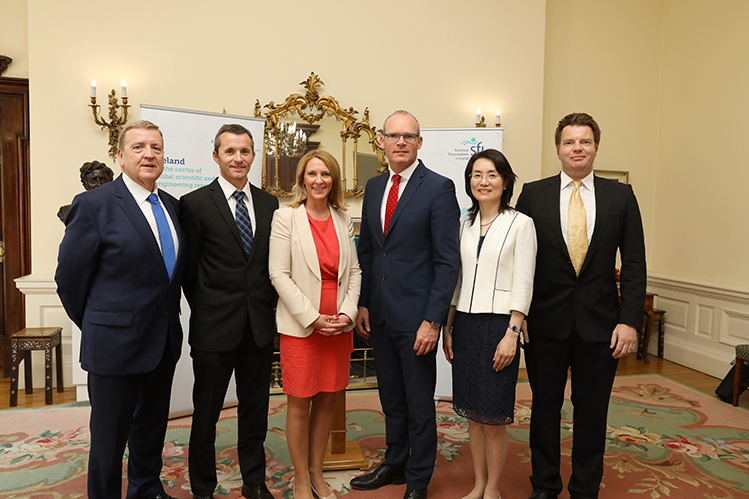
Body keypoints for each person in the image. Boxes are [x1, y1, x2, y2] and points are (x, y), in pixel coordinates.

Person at [515, 113, 646, 499]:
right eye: (569, 142)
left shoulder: (620, 196)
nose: (577, 148)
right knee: (544, 409)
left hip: (601, 325)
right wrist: (517, 315)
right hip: (544, 323)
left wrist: (630, 321)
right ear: (558, 149)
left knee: (592, 412)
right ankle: (544, 486)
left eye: (584, 142)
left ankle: (585, 489)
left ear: (596, 148)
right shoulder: (532, 194)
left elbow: (634, 262)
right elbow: (520, 260)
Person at [55, 120, 184, 499]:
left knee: (151, 431)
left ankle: (146, 489)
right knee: (108, 442)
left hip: (162, 343)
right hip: (113, 347)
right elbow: (70, 280)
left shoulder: (173, 207)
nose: (149, 154)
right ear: (121, 156)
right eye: (139, 147)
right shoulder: (93, 205)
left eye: (156, 147)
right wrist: (100, 325)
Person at [352, 110, 460, 499]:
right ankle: (394, 463)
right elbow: (368, 251)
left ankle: (418, 479)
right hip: (380, 315)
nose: (400, 142)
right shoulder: (374, 187)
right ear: (381, 141)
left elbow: (447, 262)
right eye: (394, 136)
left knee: (418, 404)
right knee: (392, 400)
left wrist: (434, 321)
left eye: (408, 136)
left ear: (419, 142)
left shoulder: (439, 188)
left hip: (417, 320)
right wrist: (363, 304)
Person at [179, 124, 278, 499]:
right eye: (230, 151)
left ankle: (254, 480)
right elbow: (189, 272)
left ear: (253, 156)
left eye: (245, 151)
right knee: (206, 414)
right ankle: (203, 487)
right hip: (214, 328)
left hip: (258, 328)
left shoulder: (269, 204)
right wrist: (210, 308)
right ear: (216, 155)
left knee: (256, 411)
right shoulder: (195, 203)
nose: (238, 158)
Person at [443, 149, 537, 499]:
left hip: (500, 328)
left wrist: (513, 332)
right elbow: (456, 281)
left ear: (506, 181)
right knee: (472, 414)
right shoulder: (463, 224)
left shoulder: (521, 224)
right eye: (477, 175)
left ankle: (493, 489)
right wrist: (448, 327)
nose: (484, 182)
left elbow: (524, 282)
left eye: (492, 175)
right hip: (465, 326)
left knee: (493, 418)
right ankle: (478, 484)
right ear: (469, 181)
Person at [268, 149, 361, 499]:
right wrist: (312, 317)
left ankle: (316, 472)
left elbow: (354, 271)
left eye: (325, 174)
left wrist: (347, 314)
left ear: (333, 180)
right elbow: (278, 273)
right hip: (302, 326)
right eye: (312, 174)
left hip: (337, 325)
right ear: (302, 180)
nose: (319, 180)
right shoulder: (286, 217)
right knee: (300, 404)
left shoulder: (343, 218)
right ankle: (300, 478)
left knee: (327, 402)